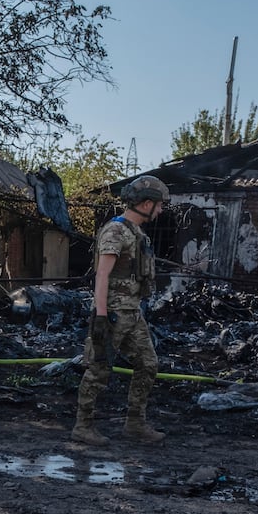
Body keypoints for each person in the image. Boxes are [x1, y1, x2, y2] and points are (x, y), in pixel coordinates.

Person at [72, 175, 169, 446]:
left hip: (132, 313)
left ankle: (135, 424)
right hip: (113, 313)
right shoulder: (115, 230)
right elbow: (101, 275)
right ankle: (83, 426)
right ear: (146, 203)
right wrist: (101, 317)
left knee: (149, 365)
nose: (160, 210)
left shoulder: (136, 233)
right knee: (98, 369)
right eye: (159, 205)